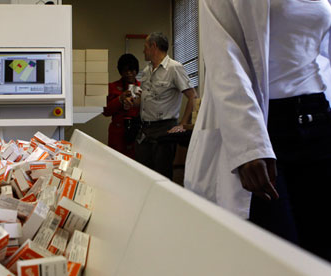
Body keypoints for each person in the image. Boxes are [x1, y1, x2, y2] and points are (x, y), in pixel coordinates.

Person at [184, 0, 331, 261]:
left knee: (321, 246)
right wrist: (249, 146)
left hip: (319, 118)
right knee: (280, 252)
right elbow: (224, 59)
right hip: (265, 127)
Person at [133, 32, 197, 179]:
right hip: (145, 129)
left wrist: (182, 124)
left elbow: (193, 96)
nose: (143, 51)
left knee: (161, 175)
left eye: (145, 47)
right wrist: (133, 101)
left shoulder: (174, 68)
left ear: (153, 46)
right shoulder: (146, 70)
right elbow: (145, 99)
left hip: (164, 128)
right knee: (142, 174)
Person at [103, 54, 141, 159]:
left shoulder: (143, 87)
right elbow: (105, 111)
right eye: (125, 71)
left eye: (132, 70)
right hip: (118, 134)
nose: (129, 74)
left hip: (137, 132)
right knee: (116, 163)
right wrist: (120, 99)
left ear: (136, 70)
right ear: (121, 72)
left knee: (137, 165)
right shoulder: (113, 87)